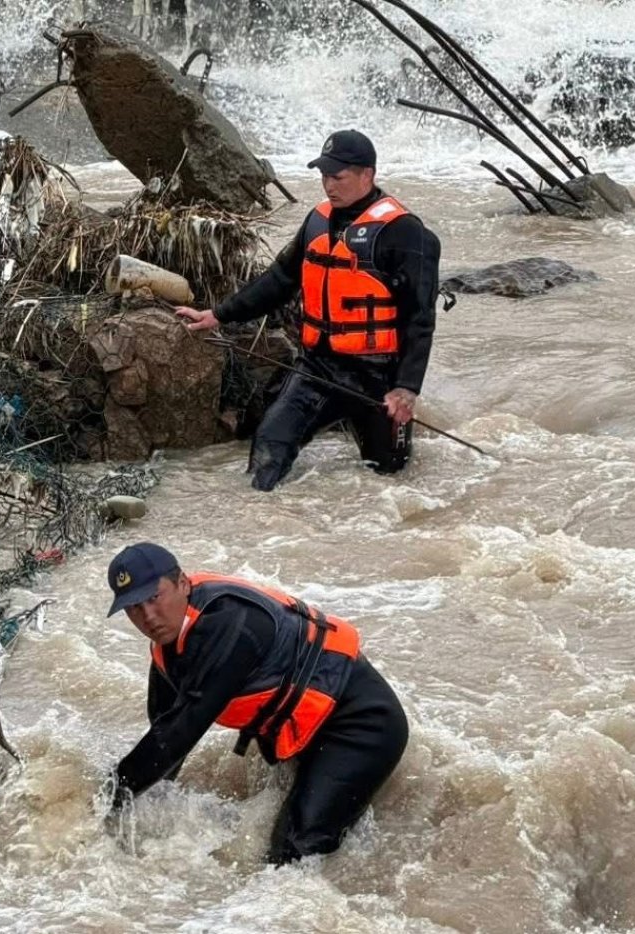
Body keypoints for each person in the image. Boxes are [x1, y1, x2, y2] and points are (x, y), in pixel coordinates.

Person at [102, 542, 408, 864]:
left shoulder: (232, 626)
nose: (148, 617)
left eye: (154, 597)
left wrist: (109, 798)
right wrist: (135, 809)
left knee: (291, 855)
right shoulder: (169, 646)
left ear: (182, 584)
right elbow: (164, 740)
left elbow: (182, 732)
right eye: (134, 607)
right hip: (308, 734)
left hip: (362, 727)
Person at [176, 129, 441, 490]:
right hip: (317, 367)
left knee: (390, 480)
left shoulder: (406, 233)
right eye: (324, 176)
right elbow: (279, 280)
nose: (328, 185)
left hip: (377, 377)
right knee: (267, 452)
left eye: (337, 177)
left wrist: (406, 389)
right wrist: (218, 314)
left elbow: (420, 317)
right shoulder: (316, 221)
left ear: (367, 174)